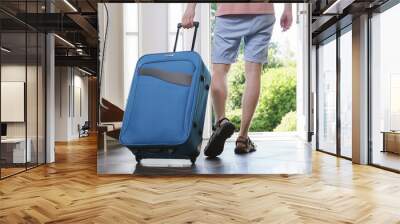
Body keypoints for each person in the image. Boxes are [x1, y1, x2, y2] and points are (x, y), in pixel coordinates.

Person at [182, 3, 292, 157]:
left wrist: (190, 8)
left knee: (219, 71)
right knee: (253, 71)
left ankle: (221, 121)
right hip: (263, 11)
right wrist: (288, 8)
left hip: (229, 10)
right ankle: (243, 138)